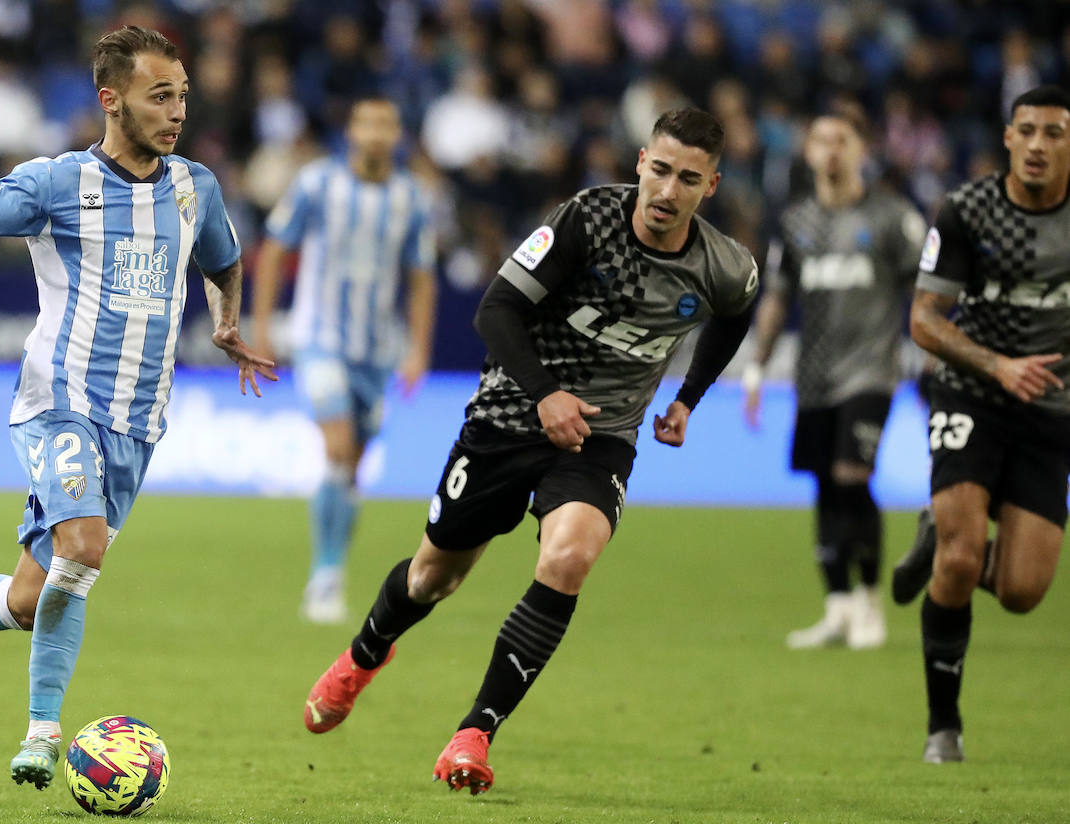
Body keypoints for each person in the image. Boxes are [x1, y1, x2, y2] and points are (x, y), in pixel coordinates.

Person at [300, 108, 758, 794]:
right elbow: (496, 309)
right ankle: (365, 654)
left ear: (710, 185)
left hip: (601, 436)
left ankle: (474, 734)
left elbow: (734, 315)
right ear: (640, 162)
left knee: (569, 557)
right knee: (434, 577)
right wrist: (546, 393)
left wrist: (689, 396)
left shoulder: (725, 264)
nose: (667, 191)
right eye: (659, 171)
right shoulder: (585, 220)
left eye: (687, 179)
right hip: (510, 415)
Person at [0, 26, 276, 789]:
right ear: (110, 99)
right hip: (59, 401)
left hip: (138, 422)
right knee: (82, 549)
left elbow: (223, 258)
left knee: (32, 598)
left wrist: (227, 322)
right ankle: (42, 733)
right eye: (161, 96)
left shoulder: (196, 187)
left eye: (182, 96)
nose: (176, 111)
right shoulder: (57, 181)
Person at [888, 84, 1070, 763]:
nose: (1038, 145)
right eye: (1027, 130)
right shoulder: (968, 211)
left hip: (1051, 410)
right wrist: (997, 366)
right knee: (963, 560)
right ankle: (944, 727)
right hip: (973, 393)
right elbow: (925, 320)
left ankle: (939, 535)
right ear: (1007, 138)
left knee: (1023, 592)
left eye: (1054, 133)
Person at [743, 107, 926, 650]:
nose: (831, 149)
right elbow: (777, 296)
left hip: (871, 371)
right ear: (808, 151)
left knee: (851, 474)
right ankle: (838, 608)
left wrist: (933, 350)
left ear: (861, 150)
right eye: (821, 139)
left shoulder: (894, 217)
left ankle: (871, 602)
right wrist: (757, 366)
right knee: (825, 481)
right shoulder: (796, 223)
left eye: (842, 139)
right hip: (813, 377)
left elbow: (928, 288)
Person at [253, 97, 437, 623]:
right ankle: (326, 576)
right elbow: (273, 250)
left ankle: (331, 568)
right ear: (352, 131)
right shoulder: (316, 184)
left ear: (397, 133)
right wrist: (262, 328)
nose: (377, 133)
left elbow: (421, 278)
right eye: (367, 123)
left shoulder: (411, 198)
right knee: (337, 449)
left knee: (352, 466)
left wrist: (418, 350)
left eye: (386, 123)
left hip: (377, 350)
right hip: (320, 339)